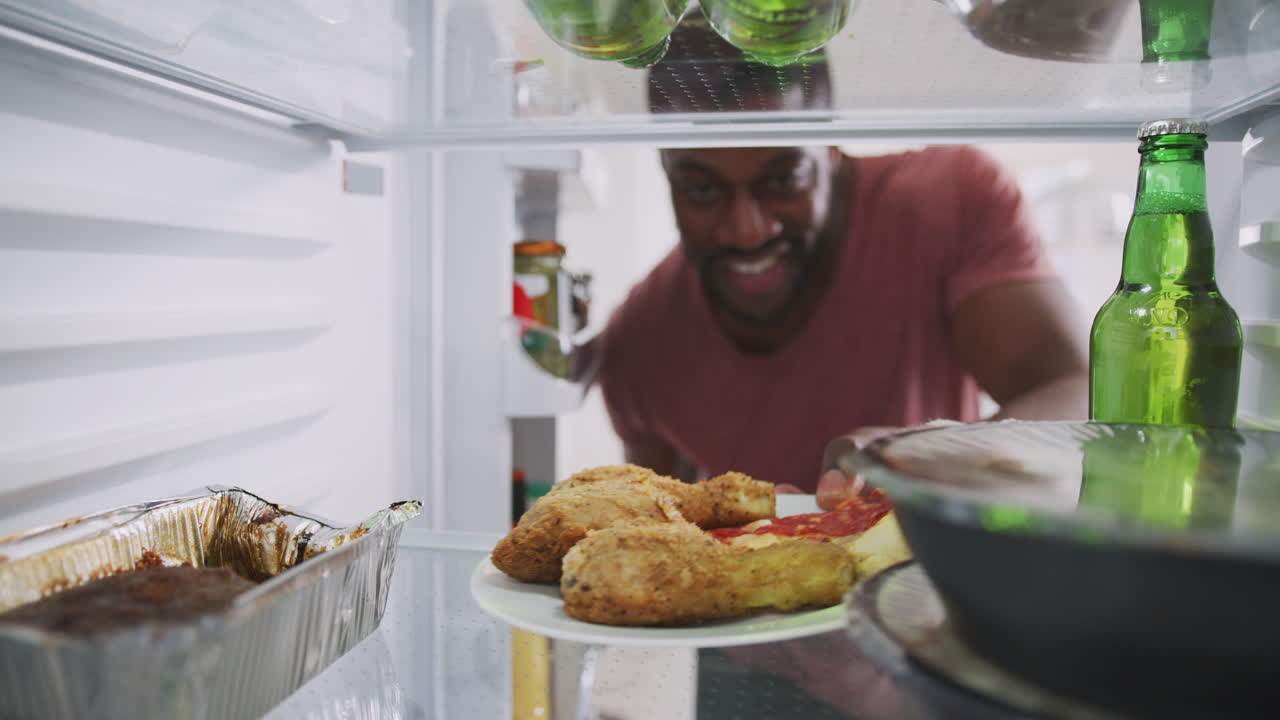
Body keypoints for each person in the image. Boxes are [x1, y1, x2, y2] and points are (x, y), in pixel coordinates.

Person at [593, 11, 1090, 510]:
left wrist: (939, 454)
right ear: (665, 171)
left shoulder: (948, 201)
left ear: (831, 147)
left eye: (784, 178)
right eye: (702, 189)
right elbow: (652, 525)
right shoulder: (640, 341)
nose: (748, 230)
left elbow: (1080, 388)